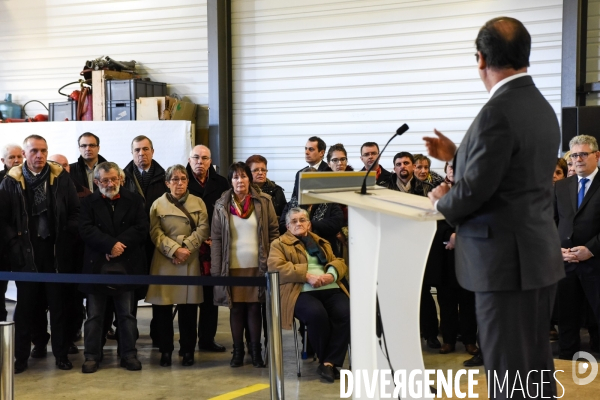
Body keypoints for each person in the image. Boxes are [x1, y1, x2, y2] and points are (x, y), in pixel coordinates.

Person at [424, 17, 564, 397]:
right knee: (533, 367)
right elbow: (510, 172)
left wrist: (442, 201)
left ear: (481, 59)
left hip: (504, 264)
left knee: (507, 371)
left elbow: (473, 194)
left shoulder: (497, 112)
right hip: (535, 258)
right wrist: (457, 153)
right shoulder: (539, 106)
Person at [0, 135, 80, 373]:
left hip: (55, 252)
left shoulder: (61, 178)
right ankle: (21, 358)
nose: (40, 155)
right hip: (25, 253)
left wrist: (65, 239)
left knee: (58, 307)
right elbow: (3, 221)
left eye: (43, 150)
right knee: (26, 308)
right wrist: (15, 246)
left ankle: (61, 354)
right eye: (34, 151)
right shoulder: (10, 181)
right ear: (24, 154)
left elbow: (75, 212)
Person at [78, 162, 148, 373]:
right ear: (97, 181)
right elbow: (85, 229)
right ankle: (91, 356)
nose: (110, 184)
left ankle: (129, 354)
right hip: (97, 265)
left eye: (114, 179)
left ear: (120, 179)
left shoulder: (134, 200)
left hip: (126, 265)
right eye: (105, 180)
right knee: (95, 316)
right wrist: (109, 245)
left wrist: (118, 246)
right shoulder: (88, 202)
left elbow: (142, 228)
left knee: (126, 315)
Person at [268, 207, 349, 383]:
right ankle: (330, 362)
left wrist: (332, 274)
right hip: (300, 291)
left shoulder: (321, 241)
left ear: (309, 224)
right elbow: (276, 267)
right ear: (288, 226)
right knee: (316, 314)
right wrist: (306, 275)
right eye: (294, 221)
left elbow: (338, 261)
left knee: (346, 312)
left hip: (330, 287)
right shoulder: (279, 244)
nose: (298, 223)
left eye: (302, 220)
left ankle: (328, 363)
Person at [211, 162, 279, 368]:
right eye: (235, 177)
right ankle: (238, 352)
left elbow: (274, 232)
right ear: (231, 181)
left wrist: (272, 262)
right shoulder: (221, 205)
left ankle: (256, 351)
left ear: (249, 179)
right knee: (236, 309)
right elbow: (216, 239)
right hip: (231, 266)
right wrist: (216, 270)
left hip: (258, 265)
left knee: (254, 308)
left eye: (243, 177)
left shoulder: (264, 202)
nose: (240, 181)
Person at [146, 164, 210, 367]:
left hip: (189, 259)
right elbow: (155, 232)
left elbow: (203, 228)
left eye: (183, 178)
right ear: (167, 183)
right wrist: (174, 250)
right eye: (174, 179)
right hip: (165, 260)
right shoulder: (157, 204)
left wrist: (186, 249)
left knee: (189, 309)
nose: (179, 182)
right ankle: (165, 350)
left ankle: (188, 349)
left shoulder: (198, 202)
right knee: (162, 310)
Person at [424, 162, 478, 356]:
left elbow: (477, 218)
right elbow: (433, 220)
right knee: (446, 300)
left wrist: (460, 236)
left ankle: (470, 340)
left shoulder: (473, 190)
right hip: (444, 254)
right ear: (446, 170)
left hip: (469, 254)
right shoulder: (437, 191)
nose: (454, 170)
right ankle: (448, 340)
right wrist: (450, 235)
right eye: (450, 167)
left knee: (468, 301)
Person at [554, 135, 600, 360]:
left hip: (596, 262)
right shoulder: (562, 187)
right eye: (574, 155)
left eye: (583, 154)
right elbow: (551, 221)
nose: (578, 159)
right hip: (566, 263)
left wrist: (590, 249)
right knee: (567, 316)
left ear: (596, 155)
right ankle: (565, 358)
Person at [186, 145, 229, 353]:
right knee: (189, 297)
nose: (200, 162)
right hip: (189, 246)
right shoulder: (180, 180)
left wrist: (217, 238)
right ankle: (187, 343)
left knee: (210, 298)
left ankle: (206, 339)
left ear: (210, 161)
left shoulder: (221, 183)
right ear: (189, 159)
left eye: (204, 158)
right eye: (196, 157)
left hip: (213, 246)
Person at [0, 143, 23, 323]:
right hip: (3, 246)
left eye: (19, 157)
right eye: (11, 157)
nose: (16, 161)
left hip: (25, 245)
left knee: (27, 293)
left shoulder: (30, 178)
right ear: (3, 160)